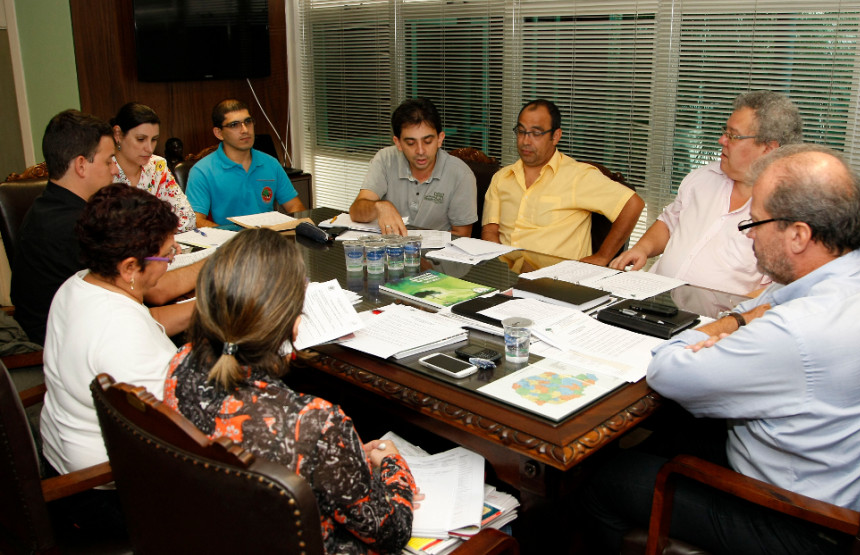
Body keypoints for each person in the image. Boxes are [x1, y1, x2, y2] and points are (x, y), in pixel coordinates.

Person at [582, 144, 860, 553]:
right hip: (839, 475)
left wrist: (705, 332)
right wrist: (737, 321)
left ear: (798, 235)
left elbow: (668, 371)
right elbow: (762, 303)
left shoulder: (800, 330)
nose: (750, 233)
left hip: (799, 521)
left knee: (601, 481)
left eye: (755, 222)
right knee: (670, 431)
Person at [164, 228, 418, 554]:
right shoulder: (314, 424)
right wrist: (392, 465)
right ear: (294, 322)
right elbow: (391, 531)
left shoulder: (180, 364)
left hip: (214, 532)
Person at [40, 183, 181, 533]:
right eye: (167, 254)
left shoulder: (78, 284)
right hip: (102, 494)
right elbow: (183, 430)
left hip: (61, 459)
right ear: (131, 267)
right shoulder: (120, 333)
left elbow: (146, 327)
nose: (174, 256)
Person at [10, 110, 199, 344]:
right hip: (75, 344)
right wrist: (220, 266)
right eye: (109, 160)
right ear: (81, 165)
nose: (113, 169)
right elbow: (154, 292)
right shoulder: (78, 226)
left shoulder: (48, 206)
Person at [610, 90, 803, 294]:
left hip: (714, 319)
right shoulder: (702, 177)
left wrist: (728, 319)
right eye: (724, 131)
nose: (722, 140)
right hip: (653, 296)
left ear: (768, 149)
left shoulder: (788, 212)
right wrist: (642, 249)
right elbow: (668, 223)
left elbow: (772, 294)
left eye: (733, 135)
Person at [481, 99, 644, 265]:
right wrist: (496, 269)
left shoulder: (577, 176)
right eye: (521, 131)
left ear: (556, 136)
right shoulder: (502, 178)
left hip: (557, 282)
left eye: (536, 133)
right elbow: (490, 230)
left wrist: (603, 257)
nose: (525, 141)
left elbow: (632, 204)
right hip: (508, 278)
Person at [349, 98, 477, 236]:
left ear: (440, 139)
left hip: (433, 255)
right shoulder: (385, 159)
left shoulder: (461, 175)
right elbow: (356, 212)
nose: (420, 151)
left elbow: (461, 236)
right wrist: (379, 207)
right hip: (390, 251)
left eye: (427, 142)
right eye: (411, 143)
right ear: (398, 143)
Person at [186, 99, 306, 227]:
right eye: (234, 125)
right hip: (228, 243)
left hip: (267, 241)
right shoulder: (202, 171)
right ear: (219, 133)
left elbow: (294, 206)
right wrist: (231, 239)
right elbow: (196, 221)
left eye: (248, 122)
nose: (245, 130)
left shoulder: (270, 163)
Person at [110, 101, 196, 231]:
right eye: (140, 139)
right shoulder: (103, 169)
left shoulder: (156, 165)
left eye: (154, 139)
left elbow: (187, 219)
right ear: (118, 134)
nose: (149, 149)